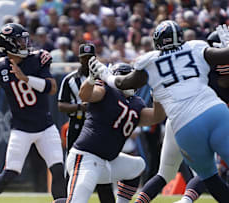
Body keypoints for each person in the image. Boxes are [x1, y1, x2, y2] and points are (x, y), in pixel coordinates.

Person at [89, 20, 229, 202]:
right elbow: (223, 57)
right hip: (213, 111)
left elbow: (122, 83)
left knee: (208, 176)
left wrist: (104, 74)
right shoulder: (196, 47)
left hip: (183, 125)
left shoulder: (149, 61)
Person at [0, 23, 66, 202]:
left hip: (45, 126)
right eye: (19, 40)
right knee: (10, 173)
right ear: (9, 44)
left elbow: (52, 88)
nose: (25, 43)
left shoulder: (38, 58)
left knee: (57, 168)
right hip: (21, 129)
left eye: (24, 39)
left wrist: (26, 79)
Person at [134, 29, 229, 203]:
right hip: (194, 119)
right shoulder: (202, 63)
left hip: (180, 121)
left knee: (169, 172)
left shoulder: (197, 61)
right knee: (206, 170)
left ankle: (183, 200)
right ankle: (185, 200)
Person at [64, 62, 166, 203]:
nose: (131, 82)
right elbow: (85, 95)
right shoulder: (106, 90)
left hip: (107, 162)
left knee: (137, 166)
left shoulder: (136, 103)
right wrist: (91, 79)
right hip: (86, 158)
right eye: (128, 77)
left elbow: (157, 116)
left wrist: (157, 95)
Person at [57, 43, 115, 203]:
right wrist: (79, 107)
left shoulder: (104, 76)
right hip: (77, 124)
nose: (88, 61)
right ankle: (70, 198)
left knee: (102, 164)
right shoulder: (70, 80)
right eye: (85, 58)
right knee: (72, 165)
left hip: (98, 126)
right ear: (79, 59)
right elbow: (61, 105)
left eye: (90, 58)